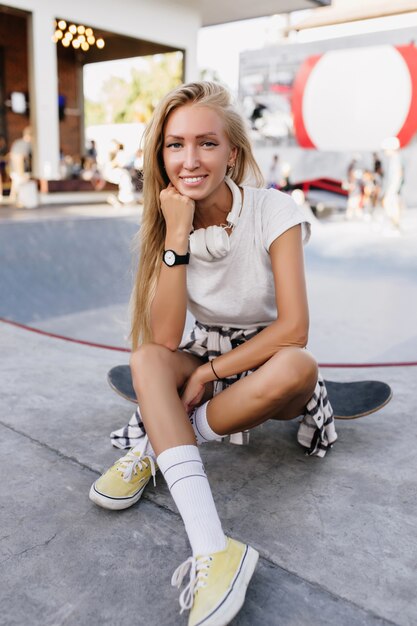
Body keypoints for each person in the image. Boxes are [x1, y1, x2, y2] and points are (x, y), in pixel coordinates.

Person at [89, 82, 337, 625]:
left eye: (206, 143)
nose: (189, 159)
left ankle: (161, 442)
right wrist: (176, 234)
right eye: (175, 145)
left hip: (268, 358)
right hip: (204, 348)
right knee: (146, 362)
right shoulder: (169, 223)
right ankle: (213, 548)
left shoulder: (275, 210)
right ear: (161, 154)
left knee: (302, 365)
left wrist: (210, 371)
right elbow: (163, 339)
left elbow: (295, 327)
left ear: (233, 152)